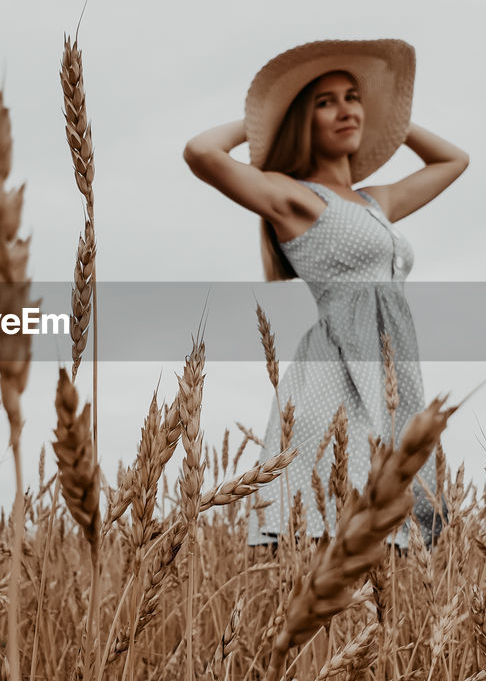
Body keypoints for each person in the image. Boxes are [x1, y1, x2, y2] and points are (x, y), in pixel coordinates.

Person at [182, 39, 468, 553]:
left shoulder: (374, 201)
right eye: (325, 102)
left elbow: (454, 160)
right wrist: (262, 123)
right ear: (303, 121)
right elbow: (202, 153)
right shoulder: (296, 198)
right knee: (328, 527)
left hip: (390, 369)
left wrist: (393, 122)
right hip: (333, 376)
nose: (345, 110)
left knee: (393, 535)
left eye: (353, 97)